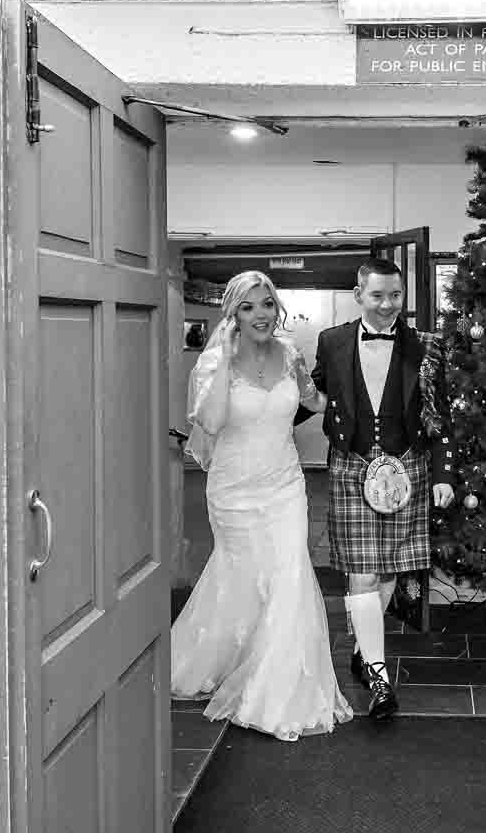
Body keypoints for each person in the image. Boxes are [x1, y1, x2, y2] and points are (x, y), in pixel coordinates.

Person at [170, 271, 353, 741]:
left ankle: (276, 693)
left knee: (290, 574)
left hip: (286, 484)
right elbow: (208, 423)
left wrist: (361, 406)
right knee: (241, 576)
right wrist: (227, 362)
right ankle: (228, 657)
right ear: (231, 313)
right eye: (248, 307)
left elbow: (313, 401)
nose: (260, 315)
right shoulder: (214, 362)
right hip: (234, 490)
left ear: (277, 308)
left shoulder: (290, 353)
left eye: (267, 304)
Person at [311, 258, 457, 723]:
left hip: (407, 467)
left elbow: (440, 416)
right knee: (361, 571)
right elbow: (313, 394)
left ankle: (362, 645)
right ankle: (379, 676)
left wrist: (443, 475)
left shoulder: (427, 347)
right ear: (359, 295)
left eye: (395, 296)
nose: (388, 305)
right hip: (352, 466)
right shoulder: (332, 342)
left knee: (391, 568)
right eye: (377, 296)